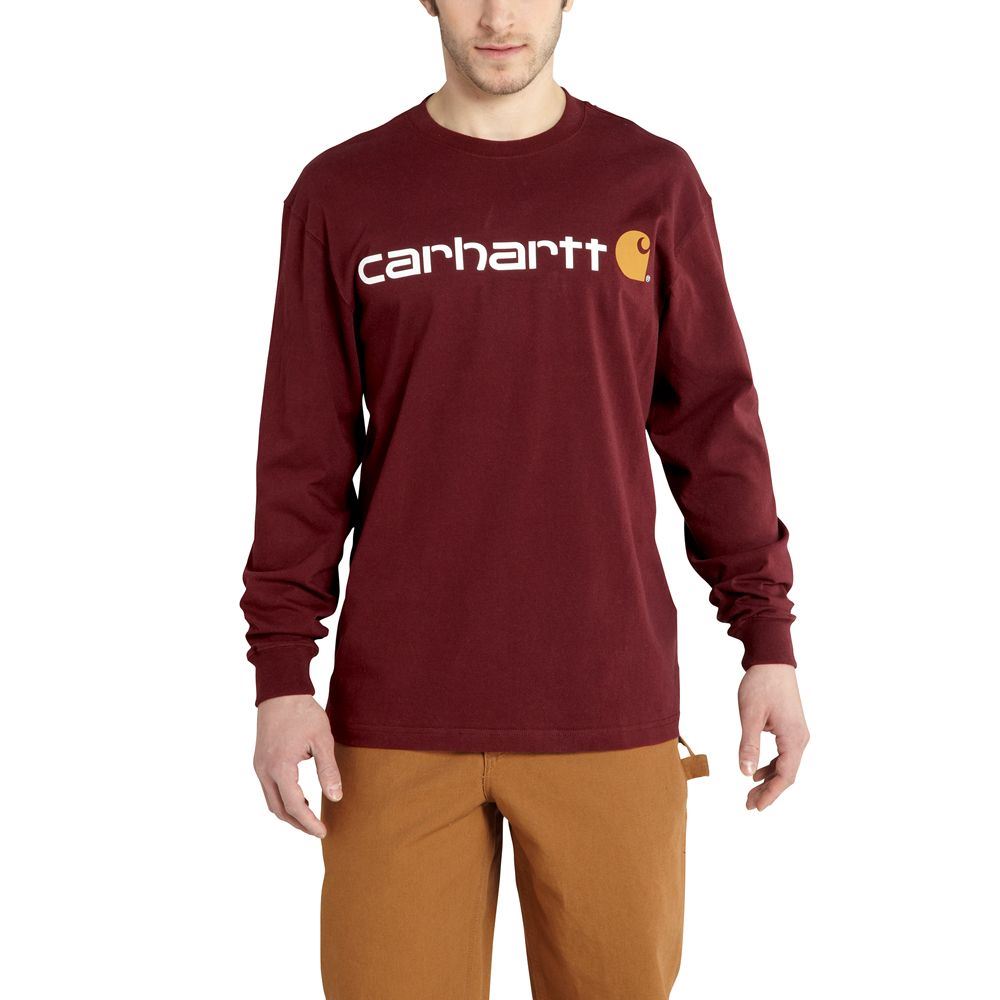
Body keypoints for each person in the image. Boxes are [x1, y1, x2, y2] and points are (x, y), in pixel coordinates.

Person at [240, 1, 810, 996]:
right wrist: (282, 674)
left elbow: (715, 427)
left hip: (606, 704)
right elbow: (303, 454)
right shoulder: (342, 191)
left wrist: (767, 641)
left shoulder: (652, 182)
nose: (499, 15)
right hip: (393, 719)